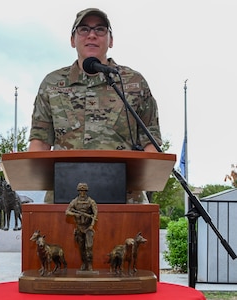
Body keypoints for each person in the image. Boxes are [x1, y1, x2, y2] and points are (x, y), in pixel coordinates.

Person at [28, 8, 162, 203]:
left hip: (126, 201)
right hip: (64, 202)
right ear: (73, 39)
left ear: (111, 40)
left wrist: (148, 179)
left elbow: (151, 143)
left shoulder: (133, 82)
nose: (92, 35)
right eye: (83, 29)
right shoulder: (52, 84)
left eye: (100, 29)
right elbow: (39, 143)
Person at [65, 182, 98, 271]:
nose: (82, 193)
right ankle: (84, 263)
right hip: (79, 227)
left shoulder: (91, 201)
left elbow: (95, 214)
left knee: (89, 247)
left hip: (88, 228)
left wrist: (91, 225)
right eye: (80, 191)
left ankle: (90, 264)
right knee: (81, 248)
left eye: (84, 191)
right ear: (78, 191)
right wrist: (75, 214)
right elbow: (67, 211)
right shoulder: (74, 201)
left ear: (86, 191)